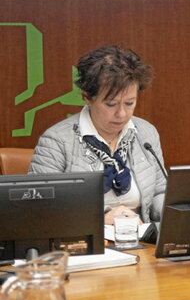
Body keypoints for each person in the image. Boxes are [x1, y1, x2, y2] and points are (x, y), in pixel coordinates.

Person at [29, 46, 166, 225]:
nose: (122, 114)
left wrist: (174, 214)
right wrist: (99, 219)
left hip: (140, 240)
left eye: (130, 103)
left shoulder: (146, 133)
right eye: (111, 104)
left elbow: (159, 192)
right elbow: (41, 207)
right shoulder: (56, 141)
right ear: (87, 97)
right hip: (85, 241)